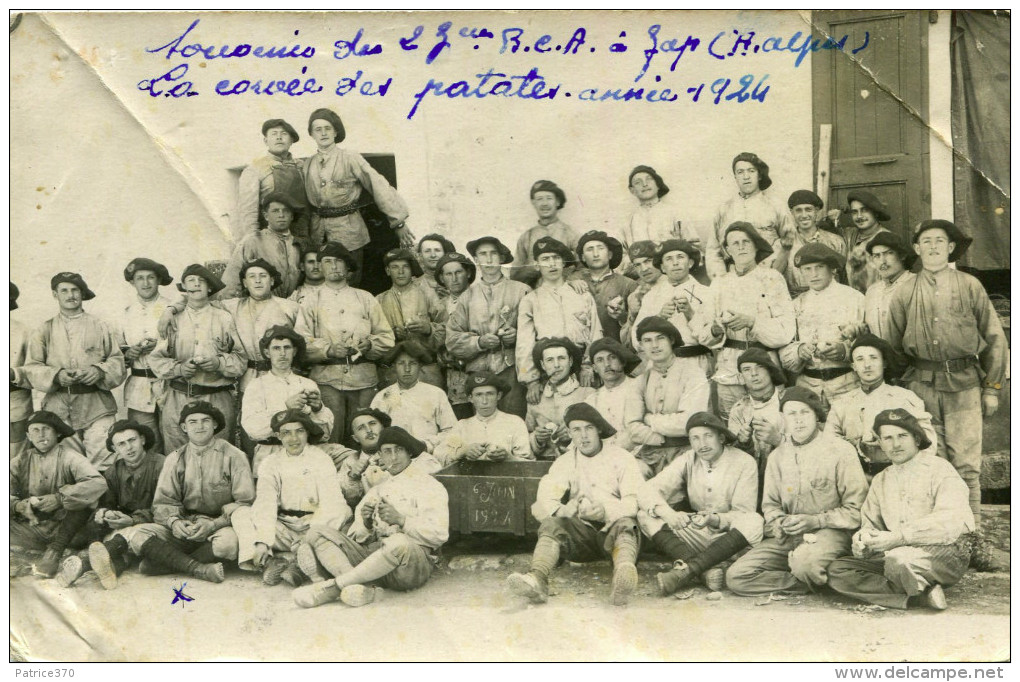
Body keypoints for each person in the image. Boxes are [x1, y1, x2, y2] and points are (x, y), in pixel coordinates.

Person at [888, 219, 1007, 570]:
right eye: (927, 241)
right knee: (929, 464)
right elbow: (893, 346)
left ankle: (972, 541)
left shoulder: (970, 286)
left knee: (967, 468)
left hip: (965, 386)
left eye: (941, 241)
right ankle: (937, 543)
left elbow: (994, 338)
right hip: (920, 387)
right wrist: (902, 393)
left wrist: (992, 387)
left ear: (951, 248)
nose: (934, 247)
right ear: (917, 248)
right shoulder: (905, 291)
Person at [88, 401, 255, 588]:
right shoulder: (175, 458)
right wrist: (174, 522)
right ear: (184, 427)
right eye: (192, 422)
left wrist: (213, 524)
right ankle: (197, 568)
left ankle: (162, 564)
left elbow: (245, 502)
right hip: (183, 525)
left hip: (218, 525)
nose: (199, 426)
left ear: (215, 424)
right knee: (138, 535)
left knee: (228, 544)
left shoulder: (234, 455)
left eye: (205, 421)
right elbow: (162, 504)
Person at [725, 387, 868, 596]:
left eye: (805, 413)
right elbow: (771, 505)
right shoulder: (778, 456)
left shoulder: (840, 451)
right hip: (791, 535)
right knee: (737, 576)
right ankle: (815, 579)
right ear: (783, 419)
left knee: (805, 563)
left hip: (831, 533)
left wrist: (816, 521)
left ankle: (810, 568)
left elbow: (856, 510)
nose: (798, 420)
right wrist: (779, 523)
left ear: (817, 416)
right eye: (792, 414)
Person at [827, 409, 974, 611]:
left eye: (902, 436)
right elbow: (870, 524)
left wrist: (900, 537)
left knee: (902, 560)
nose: (896, 444)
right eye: (888, 438)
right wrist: (862, 541)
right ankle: (920, 597)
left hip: (943, 551)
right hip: (895, 552)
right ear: (880, 443)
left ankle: (903, 588)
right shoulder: (881, 480)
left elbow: (950, 523)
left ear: (916, 438)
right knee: (838, 570)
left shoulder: (940, 469)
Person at [292, 426, 449, 609]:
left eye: (399, 450)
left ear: (409, 453)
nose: (393, 457)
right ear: (380, 457)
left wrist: (402, 521)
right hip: (375, 562)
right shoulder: (379, 489)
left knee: (399, 542)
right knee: (316, 532)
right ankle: (362, 588)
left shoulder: (428, 485)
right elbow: (356, 536)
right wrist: (366, 524)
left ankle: (335, 587)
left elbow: (439, 535)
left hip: (410, 565)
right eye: (387, 452)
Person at [506, 403, 644, 606]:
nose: (583, 436)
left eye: (588, 428)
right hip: (583, 538)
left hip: (615, 534)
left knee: (626, 524)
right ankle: (537, 579)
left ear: (599, 429)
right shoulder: (566, 461)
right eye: (576, 430)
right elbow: (544, 498)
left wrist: (606, 511)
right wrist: (562, 509)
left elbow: (634, 502)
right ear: (570, 433)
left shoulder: (622, 458)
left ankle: (622, 579)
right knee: (552, 524)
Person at [639, 412, 763, 595]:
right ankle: (702, 571)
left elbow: (743, 513)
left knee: (754, 521)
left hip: (731, 540)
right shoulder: (689, 458)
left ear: (721, 437)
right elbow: (647, 490)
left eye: (708, 436)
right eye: (695, 438)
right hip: (698, 533)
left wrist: (714, 519)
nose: (702, 444)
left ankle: (687, 570)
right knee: (645, 515)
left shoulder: (744, 462)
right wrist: (668, 513)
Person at [233, 409, 350, 587]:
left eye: (299, 431)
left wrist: (311, 533)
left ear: (307, 433)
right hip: (284, 526)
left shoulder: (320, 458)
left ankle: (295, 562)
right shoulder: (271, 462)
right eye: (286, 433)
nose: (293, 439)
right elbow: (266, 502)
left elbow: (331, 500)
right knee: (241, 513)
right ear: (278, 436)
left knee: (342, 510)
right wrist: (263, 541)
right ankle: (272, 561)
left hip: (314, 525)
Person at [22, 272, 126, 472]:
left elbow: (118, 361)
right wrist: (56, 375)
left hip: (97, 406)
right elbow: (31, 367)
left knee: (103, 459)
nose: (70, 295)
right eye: (64, 291)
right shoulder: (44, 329)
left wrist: (100, 371)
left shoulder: (100, 325)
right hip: (58, 408)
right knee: (67, 464)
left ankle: (103, 503)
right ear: (55, 295)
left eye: (75, 290)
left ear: (82, 293)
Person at [693, 222, 795, 419]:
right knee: (733, 426)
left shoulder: (772, 278)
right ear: (727, 250)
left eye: (746, 242)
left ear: (756, 246)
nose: (741, 247)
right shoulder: (720, 283)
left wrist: (752, 323)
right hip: (729, 370)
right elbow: (702, 332)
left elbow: (786, 331)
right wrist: (715, 331)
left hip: (764, 368)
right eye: (735, 243)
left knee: (770, 423)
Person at [303, 108, 414, 285]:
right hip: (318, 234)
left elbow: (377, 184)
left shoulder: (350, 157)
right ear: (311, 134)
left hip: (349, 234)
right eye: (318, 129)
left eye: (328, 128)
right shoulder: (307, 164)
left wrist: (398, 221)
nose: (323, 133)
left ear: (336, 132)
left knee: (348, 283)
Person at [300, 241, 395, 445]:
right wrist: (328, 349)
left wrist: (369, 344)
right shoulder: (310, 300)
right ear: (320, 266)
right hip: (327, 380)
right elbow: (300, 341)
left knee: (365, 437)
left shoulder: (365, 298)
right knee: (330, 435)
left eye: (339, 262)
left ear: (347, 267)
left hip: (364, 380)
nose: (334, 266)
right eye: (327, 262)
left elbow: (387, 338)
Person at [148, 265, 246, 454]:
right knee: (177, 456)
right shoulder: (172, 320)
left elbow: (241, 360)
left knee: (220, 456)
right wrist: (179, 369)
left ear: (210, 288)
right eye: (190, 280)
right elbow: (156, 360)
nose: (196, 284)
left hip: (217, 396)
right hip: (178, 397)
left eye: (201, 281)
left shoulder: (224, 318)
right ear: (184, 287)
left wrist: (219, 363)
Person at [55, 419, 166, 587]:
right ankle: (109, 568)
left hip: (156, 525)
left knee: (127, 538)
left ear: (142, 440)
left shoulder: (161, 465)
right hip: (126, 526)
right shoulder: (113, 471)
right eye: (121, 444)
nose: (128, 448)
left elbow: (167, 506)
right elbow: (106, 503)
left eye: (132, 440)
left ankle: (84, 563)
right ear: (115, 449)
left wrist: (133, 520)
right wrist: (106, 514)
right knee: (94, 526)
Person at [826, 334, 938, 479]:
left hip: (899, 476)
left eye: (873, 358)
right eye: (860, 359)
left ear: (884, 363)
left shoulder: (905, 398)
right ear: (853, 366)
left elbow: (928, 444)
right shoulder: (842, 403)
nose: (867, 365)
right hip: (856, 477)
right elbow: (829, 443)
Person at [10, 411, 107, 578]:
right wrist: (18, 505)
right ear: (28, 435)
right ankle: (54, 555)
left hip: (66, 528)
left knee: (83, 503)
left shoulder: (70, 457)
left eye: (46, 429)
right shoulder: (19, 460)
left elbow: (98, 483)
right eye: (35, 430)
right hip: (31, 527)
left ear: (57, 433)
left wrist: (60, 498)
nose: (41, 435)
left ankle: (56, 552)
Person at [446, 236, 530, 418]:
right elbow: (451, 340)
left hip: (512, 371)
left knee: (513, 421)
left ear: (501, 258)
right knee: (483, 425)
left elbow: (536, 330)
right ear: (476, 260)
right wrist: (479, 342)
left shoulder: (522, 290)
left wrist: (517, 335)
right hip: (478, 373)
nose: (489, 259)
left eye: (493, 254)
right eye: (483, 254)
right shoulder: (466, 297)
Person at [516, 237, 602, 402]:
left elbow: (595, 333)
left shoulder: (582, 294)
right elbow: (524, 343)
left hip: (582, 370)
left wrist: (589, 366)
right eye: (545, 259)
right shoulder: (531, 300)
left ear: (563, 262)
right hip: (548, 371)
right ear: (537, 265)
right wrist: (532, 380)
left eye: (556, 258)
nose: (551, 264)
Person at [240, 326, 334, 476]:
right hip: (269, 453)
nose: (282, 354)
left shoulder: (307, 384)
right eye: (276, 348)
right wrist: (285, 409)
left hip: (303, 453)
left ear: (294, 351)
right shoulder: (257, 385)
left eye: (287, 348)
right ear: (267, 352)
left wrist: (318, 409)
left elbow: (325, 434)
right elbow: (252, 428)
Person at [779, 243, 864, 407]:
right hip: (808, 386)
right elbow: (784, 346)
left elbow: (869, 342)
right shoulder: (796, 305)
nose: (814, 274)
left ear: (832, 269)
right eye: (807, 269)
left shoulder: (854, 298)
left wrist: (843, 351)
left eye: (819, 267)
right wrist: (799, 350)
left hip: (846, 385)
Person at [626, 318, 712, 477]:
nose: (654, 345)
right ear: (642, 346)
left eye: (660, 338)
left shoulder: (693, 373)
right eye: (647, 341)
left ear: (672, 340)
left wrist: (650, 419)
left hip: (688, 452)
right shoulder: (640, 381)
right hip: (651, 453)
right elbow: (633, 428)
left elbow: (688, 422)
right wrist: (662, 439)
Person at [630, 239, 712, 375]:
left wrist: (690, 314)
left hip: (695, 362)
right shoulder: (652, 296)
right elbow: (636, 340)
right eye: (668, 259)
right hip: (661, 366)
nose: (675, 263)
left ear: (690, 263)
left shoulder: (706, 293)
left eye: (680, 257)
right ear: (662, 267)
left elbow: (713, 339)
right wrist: (658, 319)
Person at [118, 258, 174, 456]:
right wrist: (128, 353)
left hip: (170, 384)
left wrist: (161, 348)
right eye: (139, 278)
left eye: (151, 277)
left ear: (159, 280)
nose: (146, 283)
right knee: (146, 441)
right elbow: (117, 349)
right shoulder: (126, 313)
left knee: (174, 438)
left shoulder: (172, 308)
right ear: (132, 282)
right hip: (139, 386)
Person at [708, 152, 793, 278]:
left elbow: (789, 242)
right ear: (735, 177)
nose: (746, 176)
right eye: (740, 172)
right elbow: (713, 249)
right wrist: (720, 279)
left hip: (769, 273)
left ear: (759, 175)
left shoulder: (776, 206)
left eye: (751, 171)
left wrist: (772, 273)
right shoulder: (724, 209)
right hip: (732, 276)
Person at [376, 248, 446, 388]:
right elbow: (371, 337)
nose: (400, 272)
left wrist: (429, 329)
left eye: (405, 267)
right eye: (395, 267)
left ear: (411, 269)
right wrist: (391, 335)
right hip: (392, 371)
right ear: (387, 271)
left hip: (426, 369)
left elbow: (448, 328)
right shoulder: (378, 300)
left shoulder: (428, 295)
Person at [370, 341, 457, 453]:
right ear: (394, 367)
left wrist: (427, 445)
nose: (407, 369)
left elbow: (451, 430)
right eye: (401, 363)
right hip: (394, 456)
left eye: (412, 363)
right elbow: (374, 434)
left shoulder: (435, 394)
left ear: (420, 366)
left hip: (428, 454)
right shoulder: (382, 397)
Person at [232, 118, 309, 240]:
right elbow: (248, 210)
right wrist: (253, 238)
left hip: (302, 237)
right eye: (274, 134)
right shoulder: (255, 169)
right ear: (266, 140)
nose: (279, 137)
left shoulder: (302, 167)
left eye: (284, 134)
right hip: (270, 238)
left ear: (291, 141)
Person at [434, 371, 534, 464]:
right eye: (478, 395)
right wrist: (463, 452)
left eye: (490, 394)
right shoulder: (462, 426)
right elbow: (439, 454)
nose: (484, 401)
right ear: (470, 398)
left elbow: (528, 464)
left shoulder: (515, 422)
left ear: (498, 395)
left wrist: (508, 457)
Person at [222, 193, 305, 299]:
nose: (281, 215)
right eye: (275, 211)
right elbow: (232, 280)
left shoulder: (298, 245)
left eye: (286, 211)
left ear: (292, 216)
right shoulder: (253, 241)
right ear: (266, 216)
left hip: (291, 305)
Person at [525, 337, 595, 460]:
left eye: (561, 358)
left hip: (581, 460)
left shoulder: (587, 394)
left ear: (571, 361)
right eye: (550, 360)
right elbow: (525, 436)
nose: (556, 365)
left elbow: (598, 433)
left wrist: (573, 434)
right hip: (544, 463)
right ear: (542, 365)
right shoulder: (535, 398)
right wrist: (537, 438)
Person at [727, 348, 786, 487]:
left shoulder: (789, 402)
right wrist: (743, 443)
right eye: (747, 369)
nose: (754, 374)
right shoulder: (739, 410)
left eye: (760, 367)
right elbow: (734, 461)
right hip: (754, 483)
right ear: (741, 378)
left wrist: (778, 440)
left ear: (770, 371)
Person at [774, 190, 847, 296]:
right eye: (798, 210)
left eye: (808, 210)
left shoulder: (835, 241)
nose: (804, 215)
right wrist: (785, 250)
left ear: (816, 211)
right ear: (792, 212)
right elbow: (773, 277)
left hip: (829, 298)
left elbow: (844, 276)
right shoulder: (781, 244)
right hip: (794, 300)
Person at [569, 230, 636, 343]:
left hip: (617, 349)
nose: (596, 254)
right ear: (583, 257)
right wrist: (570, 283)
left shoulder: (628, 284)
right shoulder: (574, 282)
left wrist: (622, 316)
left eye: (600, 248)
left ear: (609, 254)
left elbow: (638, 323)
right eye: (589, 249)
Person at [511, 180, 580, 287]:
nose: (544, 204)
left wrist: (569, 278)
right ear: (533, 203)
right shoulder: (526, 237)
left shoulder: (570, 234)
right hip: (535, 295)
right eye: (539, 199)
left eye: (549, 198)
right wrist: (534, 268)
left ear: (557, 202)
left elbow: (583, 268)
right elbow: (514, 275)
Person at [434, 252, 477, 419]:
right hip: (453, 375)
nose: (454, 278)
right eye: (448, 274)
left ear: (468, 273)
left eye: (458, 272)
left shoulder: (479, 298)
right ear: (442, 278)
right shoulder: (439, 307)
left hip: (477, 367)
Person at [584, 338, 641, 452]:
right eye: (600, 360)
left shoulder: (640, 388)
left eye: (612, 357)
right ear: (595, 368)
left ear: (623, 362)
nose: (607, 364)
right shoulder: (592, 401)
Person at [862, 231, 917, 345]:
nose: (882, 261)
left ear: (902, 255)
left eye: (888, 253)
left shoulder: (916, 284)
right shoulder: (872, 291)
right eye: (877, 256)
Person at [842, 190, 892, 293]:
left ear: (875, 212)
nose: (859, 216)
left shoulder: (888, 238)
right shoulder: (849, 236)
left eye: (864, 210)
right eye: (854, 212)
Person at [619, 241, 661, 350]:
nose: (644, 269)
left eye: (648, 261)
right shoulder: (634, 295)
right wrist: (632, 315)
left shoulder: (673, 285)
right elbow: (627, 343)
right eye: (637, 265)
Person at [10, 282, 33, 459]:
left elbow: (35, 369)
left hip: (15, 402)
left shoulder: (23, 331)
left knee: (16, 455)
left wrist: (13, 373)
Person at [415, 233, 456, 299]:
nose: (433, 255)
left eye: (437, 250)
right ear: (420, 256)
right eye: (427, 251)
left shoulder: (457, 282)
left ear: (444, 254)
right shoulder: (413, 285)